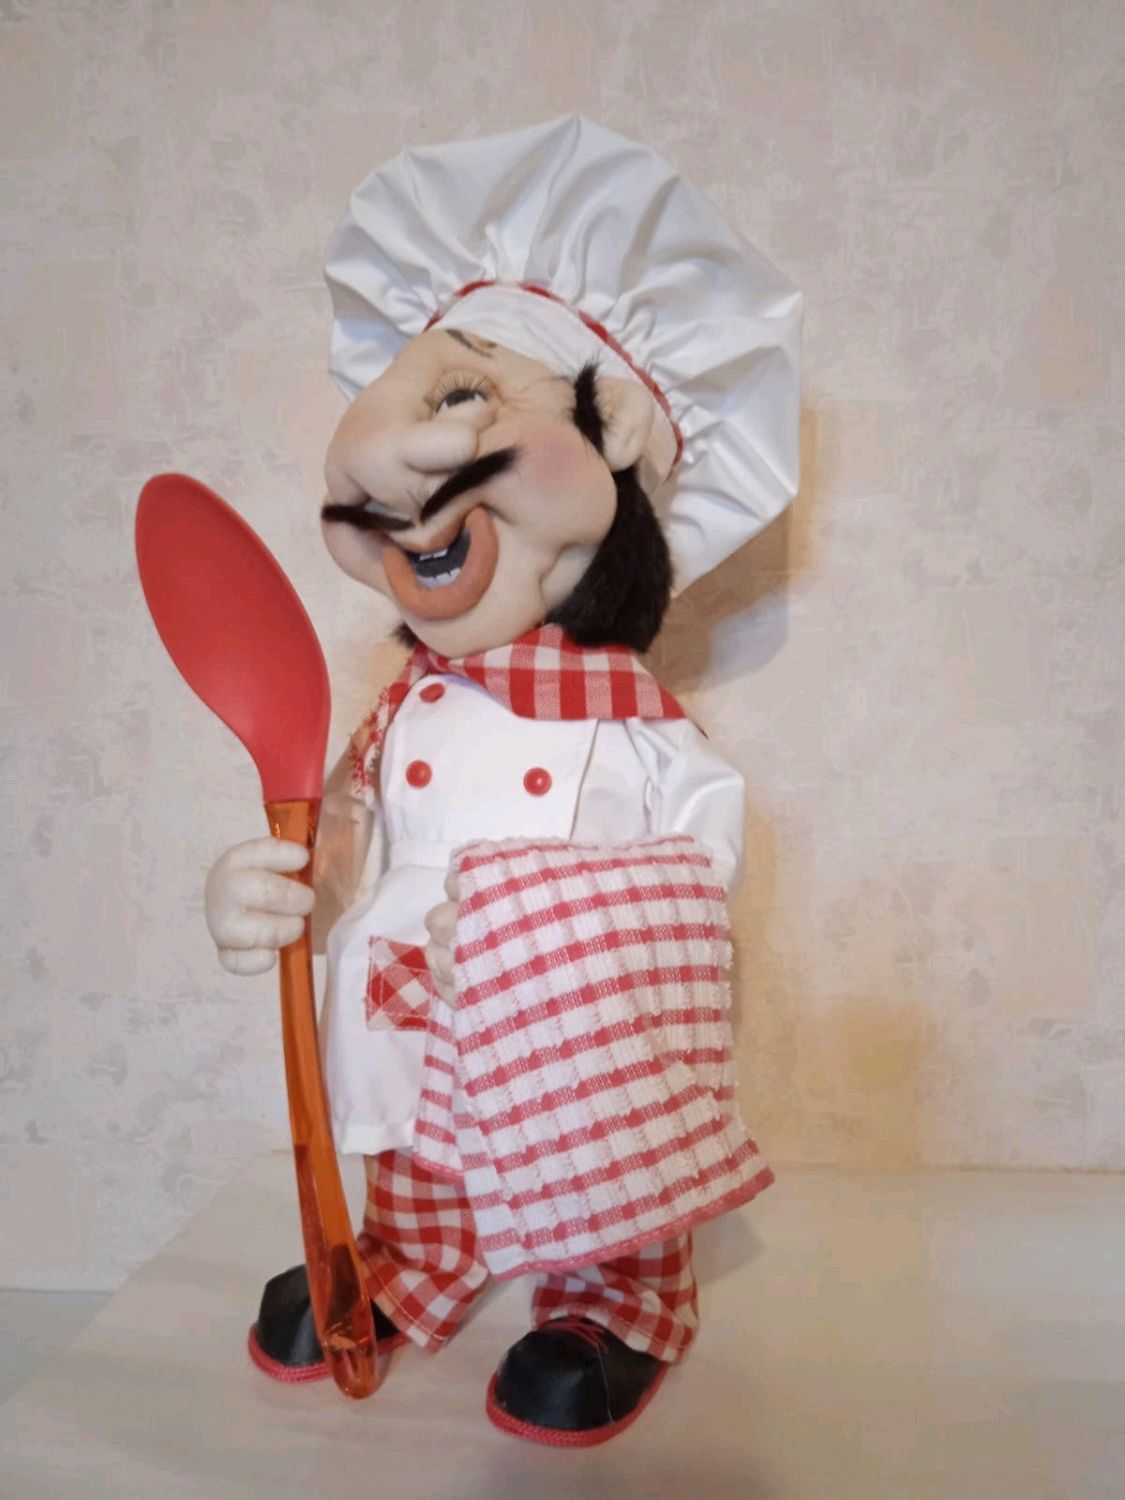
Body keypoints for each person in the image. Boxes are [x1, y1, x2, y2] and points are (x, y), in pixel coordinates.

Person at [204, 115, 801, 1446]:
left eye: (463, 395)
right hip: (419, 1028)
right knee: (417, 1154)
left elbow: (700, 875)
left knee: (600, 1179)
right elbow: (346, 836)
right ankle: (414, 1258)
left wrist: (549, 930)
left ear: (617, 444)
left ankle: (611, 1299)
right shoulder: (397, 711)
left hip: (575, 1064)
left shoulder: (640, 731)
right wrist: (280, 886)